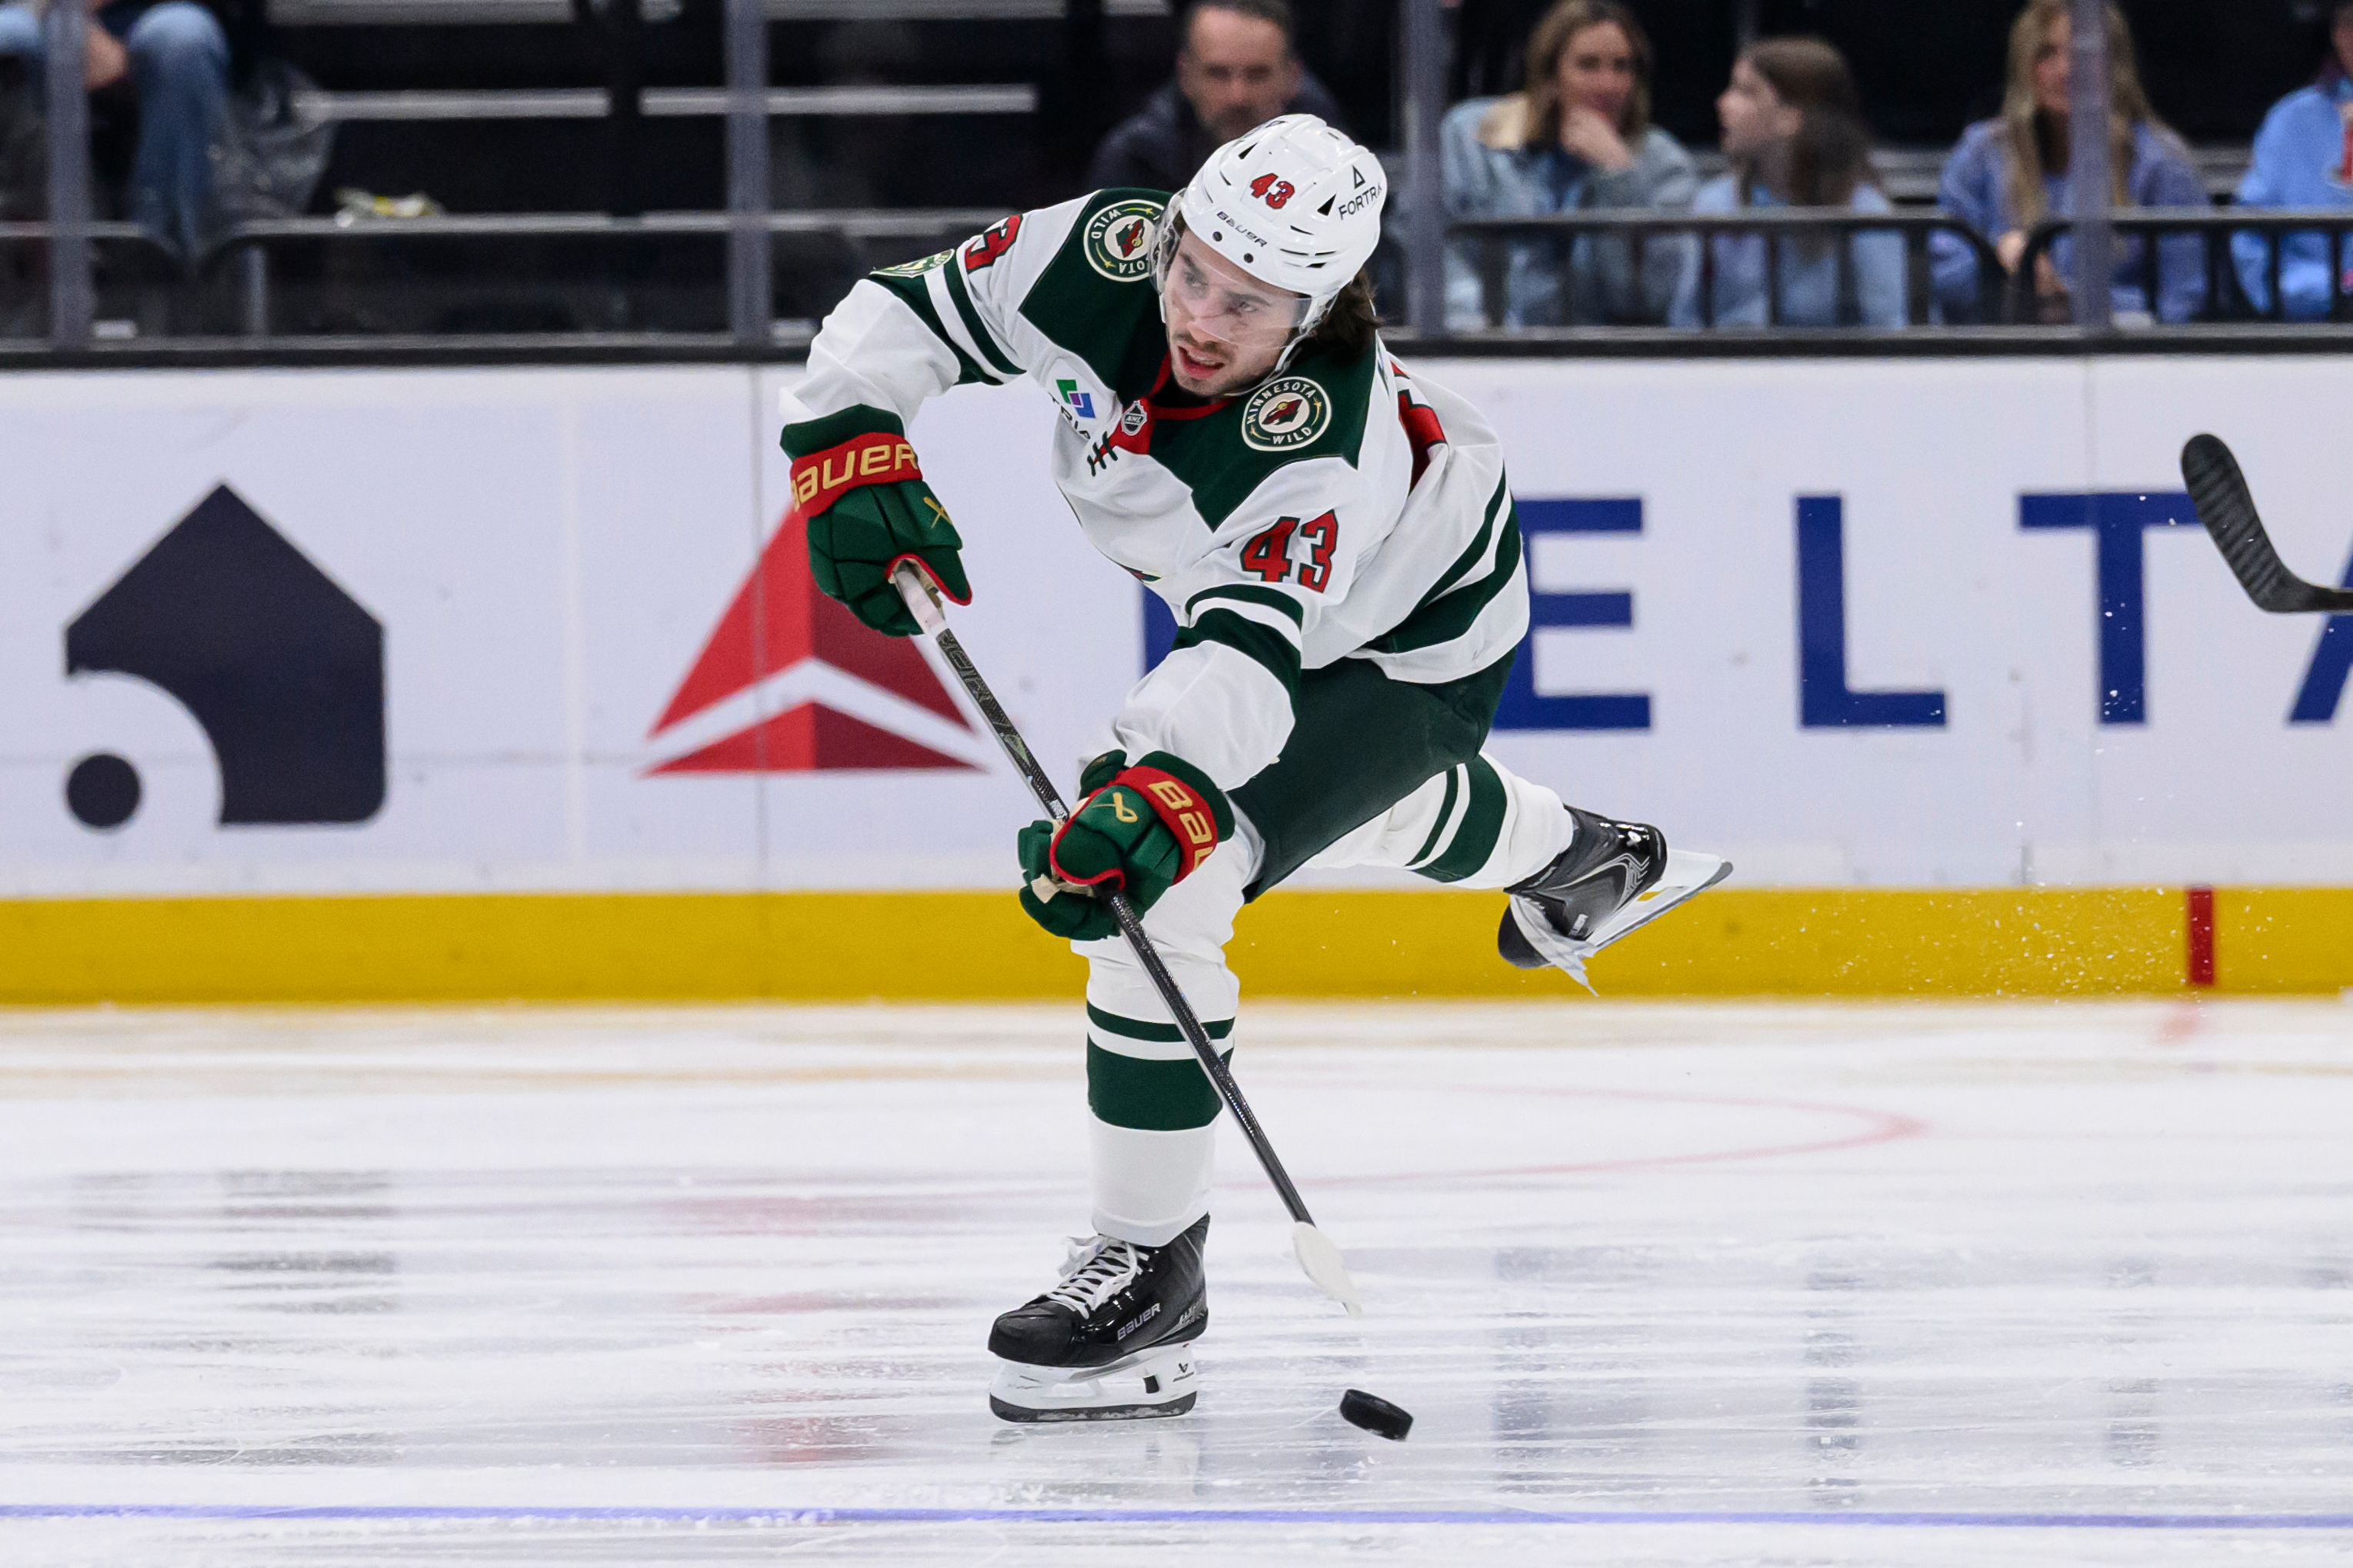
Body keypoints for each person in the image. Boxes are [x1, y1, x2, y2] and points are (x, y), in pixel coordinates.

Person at [778, 115, 1727, 1421]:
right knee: (1332, 815)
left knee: (1173, 873)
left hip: (1407, 646)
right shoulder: (1108, 250)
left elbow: (1243, 661)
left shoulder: (1312, 441)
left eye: (1249, 302)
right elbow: (912, 311)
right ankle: (1580, 854)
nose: (1198, 315)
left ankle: (1150, 1266)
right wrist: (851, 438)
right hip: (1265, 618)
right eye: (1190, 272)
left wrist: (1159, 788)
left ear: (1321, 305)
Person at [1928, 0, 2205, 325]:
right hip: (2002, 358)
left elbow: (2187, 299)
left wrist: (2072, 299)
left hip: (2124, 360)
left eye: (2082, 53)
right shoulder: (1981, 153)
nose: (2066, 70)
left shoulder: (2161, 163)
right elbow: (1938, 278)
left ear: (2114, 64)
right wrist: (1995, 260)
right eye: (2047, 53)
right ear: (2024, 65)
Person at [1440, 0, 1697, 328]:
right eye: (1588, 65)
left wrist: (1617, 180)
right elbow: (1434, 253)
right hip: (1483, 348)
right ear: (1549, 75)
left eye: (1622, 67)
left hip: (1606, 359)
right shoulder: (1471, 132)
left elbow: (1646, 300)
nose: (1609, 85)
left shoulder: (1664, 163)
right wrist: (1483, 329)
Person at [1670, 37, 1905, 331]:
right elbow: (1687, 322)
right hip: (1731, 372)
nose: (1723, 103)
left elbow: (1892, 330)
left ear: (1790, 118)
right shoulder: (1714, 204)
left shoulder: (1864, 214)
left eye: (1746, 92)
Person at [0, 0, 229, 264]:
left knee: (183, 41)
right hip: (30, 12)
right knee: (6, 38)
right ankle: (60, 254)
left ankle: (159, 259)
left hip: (154, 14)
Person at [1087, 0, 1345, 195]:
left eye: (1257, 75)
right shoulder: (1137, 158)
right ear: (1185, 76)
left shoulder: (1334, 157)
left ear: (1293, 77)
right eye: (1218, 74)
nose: (1238, 97)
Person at [2231, 0, 2353, 321]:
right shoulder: (2292, 121)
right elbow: (2251, 237)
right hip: (2309, 334)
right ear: (2337, 34)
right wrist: (2324, 292)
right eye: (2347, 23)